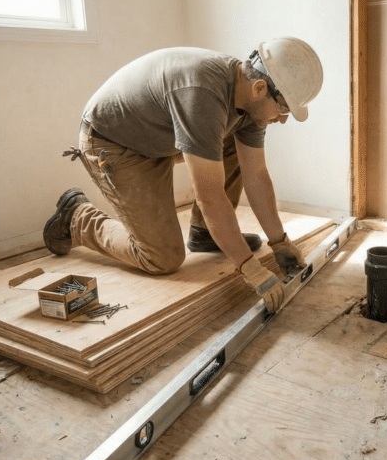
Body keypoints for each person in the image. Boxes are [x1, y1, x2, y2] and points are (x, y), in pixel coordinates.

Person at [42, 37, 324, 313]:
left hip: (157, 135)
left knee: (232, 144)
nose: (283, 119)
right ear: (260, 88)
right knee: (161, 258)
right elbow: (210, 197)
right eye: (284, 108)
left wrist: (279, 241)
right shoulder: (203, 96)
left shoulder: (250, 100)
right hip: (115, 143)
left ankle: (206, 233)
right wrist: (249, 267)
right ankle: (76, 218)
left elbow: (257, 175)